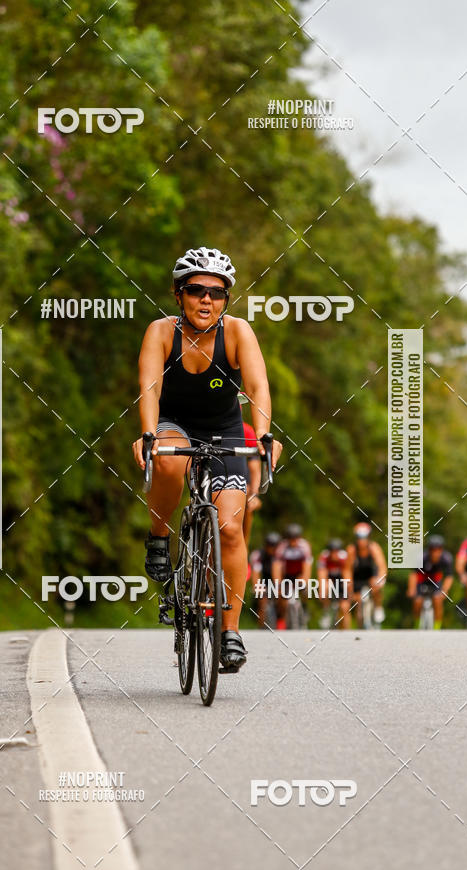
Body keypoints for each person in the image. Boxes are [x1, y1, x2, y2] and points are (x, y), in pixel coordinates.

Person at [132, 247, 282, 670]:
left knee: (231, 531)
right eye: (195, 290)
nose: (206, 300)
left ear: (225, 300)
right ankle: (159, 536)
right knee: (168, 461)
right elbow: (149, 389)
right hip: (173, 424)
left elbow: (258, 387)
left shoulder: (237, 332)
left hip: (224, 431)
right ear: (178, 295)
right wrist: (147, 434)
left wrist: (266, 435)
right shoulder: (161, 332)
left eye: (216, 293)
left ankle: (230, 631)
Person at [346, 522, 387, 628]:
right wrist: (348, 583)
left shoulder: (374, 548)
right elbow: (347, 570)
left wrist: (380, 580)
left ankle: (378, 607)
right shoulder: (352, 550)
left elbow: (382, 566)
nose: (361, 541)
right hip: (357, 578)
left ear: (368, 537)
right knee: (358, 603)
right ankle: (361, 625)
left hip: (371, 576)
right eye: (359, 537)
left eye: (364, 537)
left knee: (375, 585)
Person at [407, 535, 453, 629]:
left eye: (438, 549)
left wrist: (445, 590)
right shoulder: (421, 557)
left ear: (441, 549)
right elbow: (413, 575)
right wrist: (411, 589)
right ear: (429, 549)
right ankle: (417, 624)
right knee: (417, 601)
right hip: (422, 580)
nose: (435, 552)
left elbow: (449, 576)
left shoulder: (446, 558)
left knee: (437, 599)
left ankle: (437, 626)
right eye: (433, 549)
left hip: (436, 581)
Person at [275, 524, 313, 629]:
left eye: (295, 539)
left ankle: (305, 608)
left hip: (299, 575)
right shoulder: (282, 547)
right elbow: (277, 566)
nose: (293, 542)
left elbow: (307, 566)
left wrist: (304, 580)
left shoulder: (304, 546)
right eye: (291, 539)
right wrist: (278, 583)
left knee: (306, 590)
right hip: (286, 576)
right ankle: (282, 619)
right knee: (282, 597)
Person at [249, 531, 282, 628]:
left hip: (276, 582)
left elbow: (278, 576)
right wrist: (258, 589)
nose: (273, 549)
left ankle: (282, 621)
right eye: (270, 546)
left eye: (275, 546)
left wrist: (279, 588)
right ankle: (261, 625)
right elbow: (255, 574)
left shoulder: (279, 556)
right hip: (263, 583)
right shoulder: (258, 555)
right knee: (262, 601)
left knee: (283, 596)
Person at [317, 538, 351, 630]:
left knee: (345, 607)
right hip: (329, 581)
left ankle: (347, 631)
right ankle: (326, 611)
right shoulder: (324, 557)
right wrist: (322, 590)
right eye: (332, 552)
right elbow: (321, 575)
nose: (334, 554)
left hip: (341, 581)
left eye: (336, 552)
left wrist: (348, 590)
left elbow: (347, 574)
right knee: (325, 586)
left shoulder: (344, 557)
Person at [242, 421, 261, 549]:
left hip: (244, 484)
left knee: (248, 506)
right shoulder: (246, 430)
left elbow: (254, 467)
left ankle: (244, 547)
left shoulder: (247, 431)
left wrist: (254, 494)